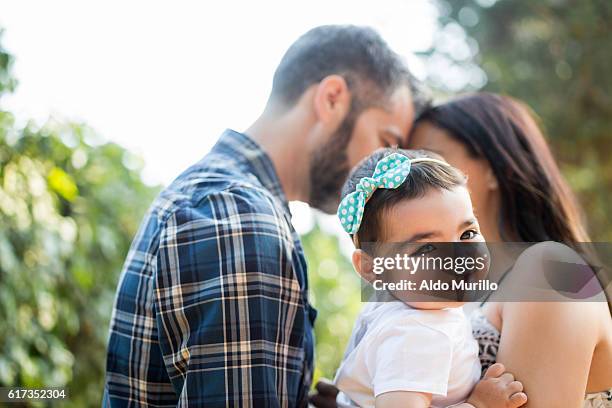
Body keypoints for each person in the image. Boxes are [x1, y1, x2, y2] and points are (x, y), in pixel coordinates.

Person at [103, 25, 421, 407]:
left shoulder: (223, 198)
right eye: (385, 143)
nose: (386, 176)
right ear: (332, 98)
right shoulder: (241, 217)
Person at [408, 93, 612, 407]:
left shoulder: (554, 270)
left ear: (493, 168)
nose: (408, 184)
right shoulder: (457, 304)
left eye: (431, 161)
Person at [331, 149, 528, 408]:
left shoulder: (396, 306)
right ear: (371, 268)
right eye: (426, 249)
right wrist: (479, 405)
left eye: (467, 233)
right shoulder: (416, 333)